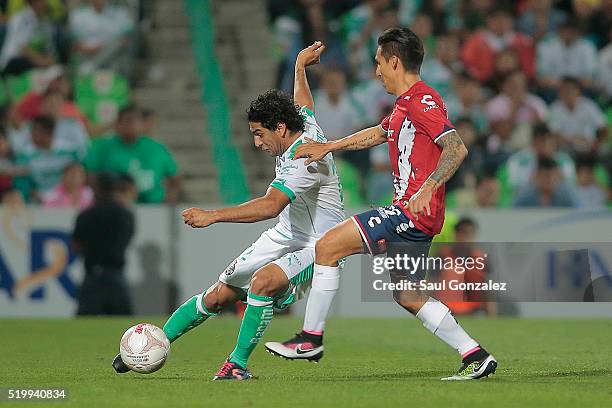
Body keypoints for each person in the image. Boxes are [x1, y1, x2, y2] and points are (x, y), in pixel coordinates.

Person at [266, 28, 497, 381]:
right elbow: (379, 132)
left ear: (394, 61)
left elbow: (456, 147)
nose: (375, 72)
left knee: (328, 246)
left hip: (410, 211)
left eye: (378, 63)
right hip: (416, 214)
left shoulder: (423, 100)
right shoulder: (407, 104)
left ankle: (310, 338)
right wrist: (331, 147)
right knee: (407, 294)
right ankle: (476, 355)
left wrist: (427, 188)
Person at [111, 42, 345, 380]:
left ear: (280, 128)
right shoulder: (302, 125)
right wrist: (298, 66)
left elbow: (270, 205)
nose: (257, 142)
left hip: (320, 243)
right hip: (287, 233)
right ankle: (153, 343)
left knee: (263, 283)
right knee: (220, 294)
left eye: (259, 133)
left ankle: (237, 365)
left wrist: (213, 215)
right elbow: (303, 103)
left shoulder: (304, 158)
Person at [84, 105, 180, 204]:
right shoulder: (102, 147)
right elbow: (90, 176)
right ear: (118, 124)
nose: (133, 125)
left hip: (153, 207)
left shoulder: (157, 148)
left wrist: (168, 203)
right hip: (115, 207)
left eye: (138, 121)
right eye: (128, 121)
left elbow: (174, 178)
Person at [72, 173, 135, 315]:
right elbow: (128, 238)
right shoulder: (126, 215)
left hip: (93, 277)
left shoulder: (86, 215)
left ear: (96, 189)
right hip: (117, 277)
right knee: (123, 326)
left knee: (84, 327)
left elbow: (76, 246)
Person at [68, 0, 134, 77]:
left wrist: (105, 48)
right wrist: (86, 49)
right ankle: (94, 65)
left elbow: (126, 38)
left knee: (119, 44)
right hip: (87, 52)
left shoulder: (119, 13)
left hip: (112, 52)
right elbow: (74, 41)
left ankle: (93, 65)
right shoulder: (78, 14)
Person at [0, 0, 56, 76]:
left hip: (36, 61)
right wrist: (41, 61)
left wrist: (49, 60)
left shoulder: (46, 21)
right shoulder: (20, 18)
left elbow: (49, 49)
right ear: (33, 2)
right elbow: (22, 50)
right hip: (14, 61)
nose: (45, 3)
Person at [513, 157, 579, 207]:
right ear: (537, 176)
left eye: (553, 177)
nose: (549, 180)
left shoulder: (566, 195)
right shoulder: (525, 195)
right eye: (545, 176)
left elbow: (579, 213)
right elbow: (512, 213)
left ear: (558, 177)